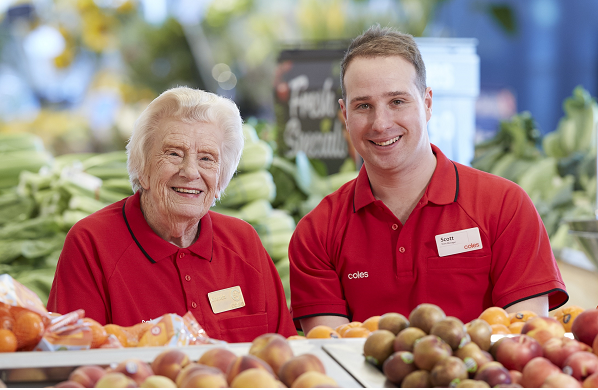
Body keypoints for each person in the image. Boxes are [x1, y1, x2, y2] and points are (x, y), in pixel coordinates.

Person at [288, 26, 568, 334]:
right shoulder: (317, 233)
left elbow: (525, 344)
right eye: (363, 106)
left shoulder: (505, 207)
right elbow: (333, 358)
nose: (381, 123)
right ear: (344, 115)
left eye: (397, 101)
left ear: (428, 103)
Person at [48, 87, 296, 342]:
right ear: (141, 168)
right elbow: (75, 367)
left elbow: (285, 356)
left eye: (207, 158)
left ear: (221, 180)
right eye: (174, 153)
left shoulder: (244, 243)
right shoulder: (91, 243)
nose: (190, 171)